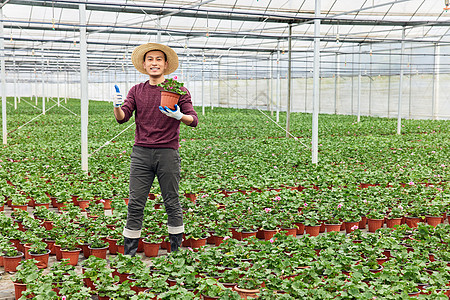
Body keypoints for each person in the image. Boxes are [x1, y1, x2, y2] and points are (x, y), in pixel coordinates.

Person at [113, 43, 198, 256]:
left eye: (158, 59)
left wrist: (179, 116)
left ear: (166, 64)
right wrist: (116, 106)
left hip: (167, 153)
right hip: (141, 153)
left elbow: (194, 120)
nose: (154, 63)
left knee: (172, 200)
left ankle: (176, 251)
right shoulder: (137, 90)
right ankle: (130, 253)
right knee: (135, 203)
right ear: (144, 64)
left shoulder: (177, 90)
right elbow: (123, 118)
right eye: (150, 59)